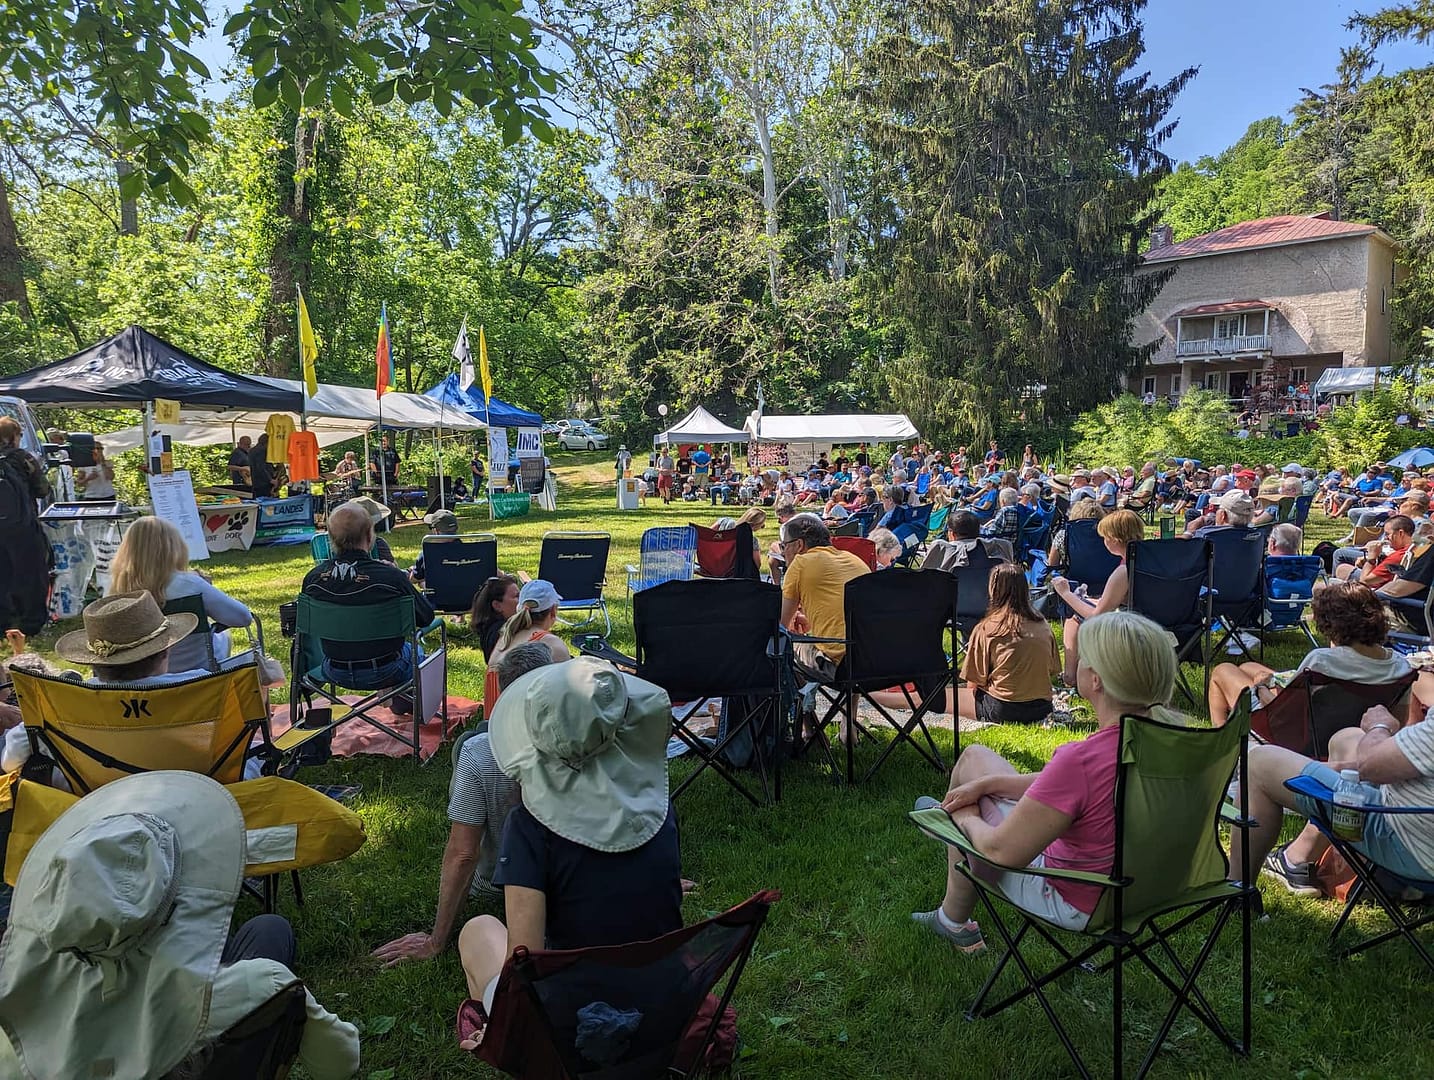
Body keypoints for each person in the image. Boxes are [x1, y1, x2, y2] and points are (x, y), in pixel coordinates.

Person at [0, 770, 360, 1079]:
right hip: (199, 1029)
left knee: (265, 928)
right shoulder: (259, 985)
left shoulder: (14, 1015)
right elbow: (338, 1064)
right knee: (269, 931)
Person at [912, 611, 1183, 949]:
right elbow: (1075, 785)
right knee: (977, 760)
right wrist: (987, 785)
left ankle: (951, 905)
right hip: (1149, 890)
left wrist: (962, 816)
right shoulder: (1176, 744)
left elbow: (1002, 852)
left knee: (970, 797)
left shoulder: (1082, 761)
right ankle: (952, 909)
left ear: (1096, 680)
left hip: (1073, 896)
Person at [455, 658, 682, 1046]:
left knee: (478, 930)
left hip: (570, 1024)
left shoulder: (530, 827)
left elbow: (525, 961)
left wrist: (506, 1026)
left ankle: (515, 1046)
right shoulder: (655, 809)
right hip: (661, 1003)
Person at [371, 643, 557, 969]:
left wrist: (436, 940)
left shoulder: (480, 753)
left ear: (501, 692)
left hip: (499, 887)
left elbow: (463, 854)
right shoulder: (595, 740)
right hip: (574, 888)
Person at [1, 590, 217, 779]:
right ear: (165, 650)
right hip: (196, 794)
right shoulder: (203, 687)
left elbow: (10, 761)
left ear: (94, 660)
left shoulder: (62, 701)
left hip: (94, 805)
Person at [1231, 700, 1434, 899]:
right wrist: (1346, 767)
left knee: (1258, 764)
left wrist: (1379, 726)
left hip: (1409, 842)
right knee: (1347, 738)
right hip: (1418, 822)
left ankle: (1236, 895)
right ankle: (1297, 859)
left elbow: (1370, 764)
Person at [1207, 581, 1412, 728]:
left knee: (1223, 671)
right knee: (1247, 668)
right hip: (1355, 732)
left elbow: (1283, 716)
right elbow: (1399, 722)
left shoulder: (1323, 661)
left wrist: (1261, 688)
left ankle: (1222, 739)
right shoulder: (1400, 666)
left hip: (1295, 737)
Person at [301, 502, 435, 699]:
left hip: (333, 668)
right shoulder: (391, 577)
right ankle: (406, 706)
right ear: (370, 536)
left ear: (331, 538)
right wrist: (395, 573)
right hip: (388, 669)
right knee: (419, 652)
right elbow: (425, 617)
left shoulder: (313, 580)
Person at [109, 515, 253, 673]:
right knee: (224, 634)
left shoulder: (115, 592)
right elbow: (243, 617)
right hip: (198, 671)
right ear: (173, 547)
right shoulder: (191, 584)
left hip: (138, 675)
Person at [1050, 508, 1144, 687]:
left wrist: (1066, 593)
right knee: (1089, 601)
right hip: (1152, 618)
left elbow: (1096, 616)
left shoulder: (1123, 572)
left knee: (1073, 615)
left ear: (1115, 540)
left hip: (1126, 626)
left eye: (1105, 537)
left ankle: (1070, 676)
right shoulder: (1147, 560)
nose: (1103, 541)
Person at [483, 579, 571, 720]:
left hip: (492, 727)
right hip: (521, 730)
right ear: (553, 611)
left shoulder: (506, 637)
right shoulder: (552, 645)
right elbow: (566, 698)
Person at [0, 417, 51, 636]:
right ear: (12, 437)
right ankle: (32, 623)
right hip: (22, 527)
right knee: (32, 573)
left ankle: (3, 623)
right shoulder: (22, 459)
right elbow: (42, 490)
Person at [1329, 514, 1415, 588]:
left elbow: (1365, 581)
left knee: (1342, 569)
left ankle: (1335, 594)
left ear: (1400, 533)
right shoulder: (1416, 549)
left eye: (1387, 534)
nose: (1385, 538)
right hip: (1395, 586)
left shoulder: (1398, 556)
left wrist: (1371, 558)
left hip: (1380, 592)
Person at [925, 509, 1013, 570]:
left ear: (951, 533)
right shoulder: (998, 549)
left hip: (951, 596)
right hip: (988, 596)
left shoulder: (942, 550)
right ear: (978, 531)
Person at [470, 574, 521, 661]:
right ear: (497, 606)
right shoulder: (502, 634)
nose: (522, 600)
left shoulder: (490, 628)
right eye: (517, 596)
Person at [409, 509, 460, 585]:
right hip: (471, 596)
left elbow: (413, 579)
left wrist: (414, 571)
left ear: (435, 531)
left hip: (439, 596)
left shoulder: (428, 553)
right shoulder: (471, 550)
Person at [248, 433, 276, 498]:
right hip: (264, 483)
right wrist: (270, 479)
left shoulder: (252, 450)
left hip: (257, 483)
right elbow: (261, 467)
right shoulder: (261, 451)